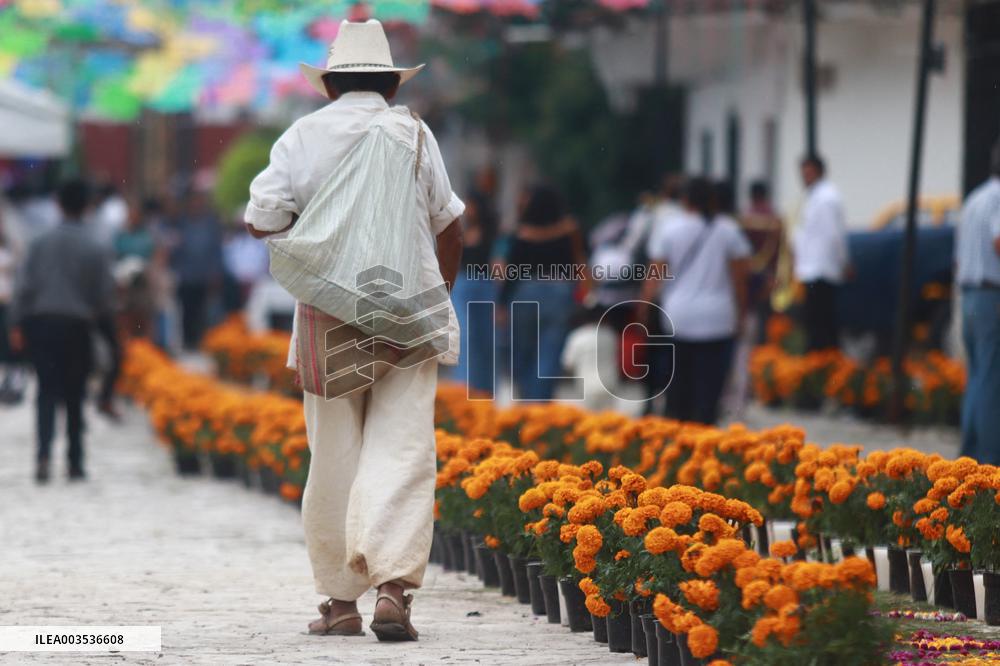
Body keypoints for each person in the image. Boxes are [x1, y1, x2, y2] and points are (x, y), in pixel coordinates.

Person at [245, 19, 464, 641]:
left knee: (334, 453)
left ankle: (339, 605)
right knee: (403, 449)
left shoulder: (302, 136)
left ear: (330, 85)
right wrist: (438, 296)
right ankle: (394, 590)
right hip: (409, 310)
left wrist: (319, 233)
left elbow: (262, 220)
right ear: (391, 85)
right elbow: (451, 228)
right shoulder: (413, 135)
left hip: (327, 315)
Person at [10, 179, 115, 482]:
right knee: (74, 394)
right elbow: (104, 294)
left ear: (58, 204)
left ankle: (43, 456)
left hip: (42, 325)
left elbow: (23, 288)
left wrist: (17, 324)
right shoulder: (96, 246)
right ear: (86, 206)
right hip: (77, 326)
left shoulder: (39, 242)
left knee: (45, 392)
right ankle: (75, 461)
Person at [643, 176, 750, 425]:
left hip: (678, 317)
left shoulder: (670, 230)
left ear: (685, 199)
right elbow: (740, 281)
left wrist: (644, 308)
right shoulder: (728, 230)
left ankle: (680, 440)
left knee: (679, 388)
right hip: (718, 318)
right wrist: (741, 314)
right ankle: (705, 436)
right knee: (709, 392)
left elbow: (654, 277)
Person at [500, 184, 586, 401]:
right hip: (559, 292)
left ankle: (526, 398)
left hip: (525, 293)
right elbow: (580, 262)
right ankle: (540, 403)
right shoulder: (570, 229)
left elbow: (512, 272)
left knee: (521, 351)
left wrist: (501, 303)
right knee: (550, 352)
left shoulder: (523, 233)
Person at [956, 142, 1000, 464]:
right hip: (991, 293)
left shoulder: (975, 198)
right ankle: (990, 459)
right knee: (991, 376)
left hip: (970, 294)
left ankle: (969, 452)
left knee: (977, 375)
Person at [793, 155, 849, 351]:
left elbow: (834, 234)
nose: (804, 177)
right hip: (813, 267)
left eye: (808, 173)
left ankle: (823, 362)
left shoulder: (825, 198)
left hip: (822, 268)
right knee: (816, 322)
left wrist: (843, 261)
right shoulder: (815, 196)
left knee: (821, 324)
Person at [448, 187, 499, 393]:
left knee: (486, 339)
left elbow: (498, 263)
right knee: (465, 337)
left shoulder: (492, 233)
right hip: (463, 285)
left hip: (485, 285)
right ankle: (464, 388)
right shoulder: (460, 230)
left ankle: (486, 390)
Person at [171, 187, 223, 350]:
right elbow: (175, 249)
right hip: (186, 275)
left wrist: (215, 272)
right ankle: (188, 341)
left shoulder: (210, 224)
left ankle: (201, 341)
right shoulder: (182, 222)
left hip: (204, 275)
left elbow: (216, 250)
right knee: (187, 309)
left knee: (203, 310)